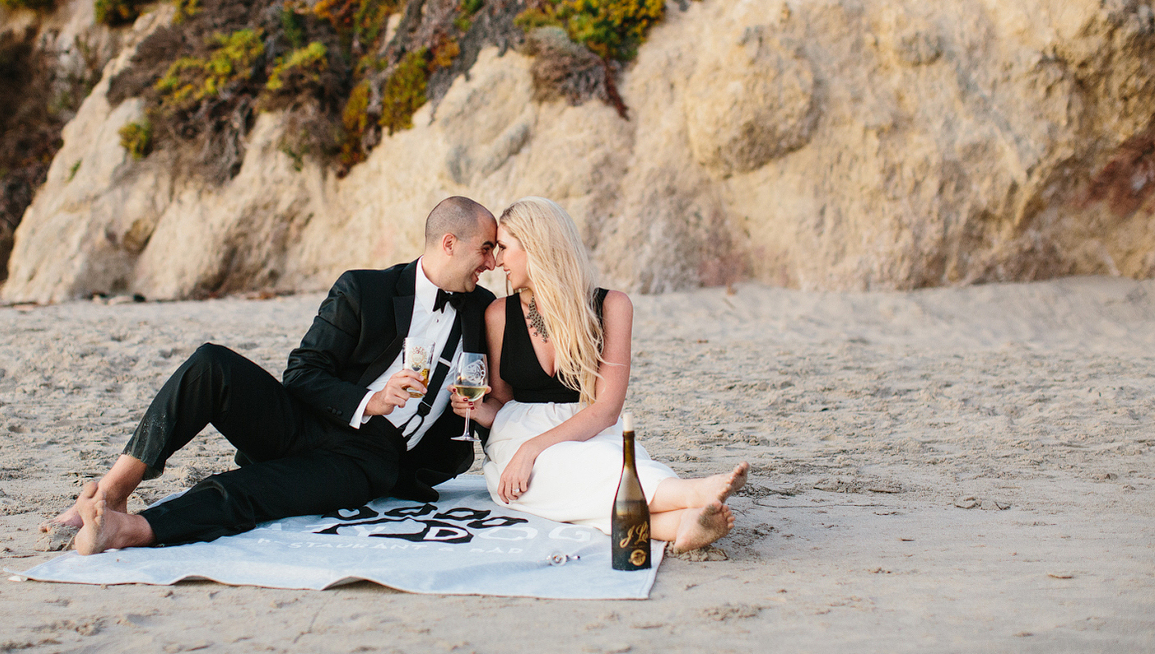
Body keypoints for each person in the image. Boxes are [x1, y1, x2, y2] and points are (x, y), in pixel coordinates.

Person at [42, 196, 499, 555]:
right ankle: (116, 489)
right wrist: (371, 400)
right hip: (311, 419)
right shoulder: (365, 289)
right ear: (448, 243)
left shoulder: (484, 310)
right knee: (210, 364)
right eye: (485, 248)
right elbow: (302, 373)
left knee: (258, 491)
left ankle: (130, 530)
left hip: (371, 460)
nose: (492, 263)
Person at [451, 197, 749, 552]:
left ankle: (679, 523)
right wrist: (482, 412)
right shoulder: (499, 314)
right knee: (573, 469)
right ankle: (689, 493)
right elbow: (504, 402)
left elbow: (607, 408)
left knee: (600, 464)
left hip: (586, 427)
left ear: (537, 247)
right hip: (515, 436)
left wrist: (534, 449)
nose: (497, 261)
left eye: (503, 247)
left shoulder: (611, 306)